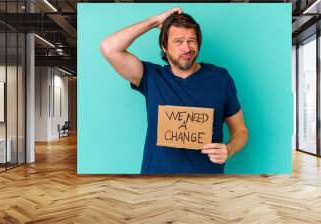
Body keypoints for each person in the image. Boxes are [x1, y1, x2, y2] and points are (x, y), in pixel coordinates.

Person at [100, 7, 248, 174]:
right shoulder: (151, 77)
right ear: (164, 46)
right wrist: (155, 21)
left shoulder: (221, 78)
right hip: (157, 183)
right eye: (178, 41)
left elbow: (241, 131)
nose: (186, 48)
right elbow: (109, 48)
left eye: (191, 40)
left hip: (206, 183)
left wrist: (229, 149)